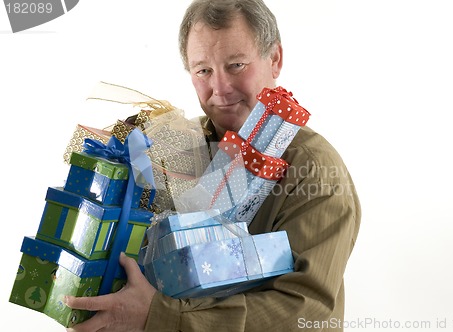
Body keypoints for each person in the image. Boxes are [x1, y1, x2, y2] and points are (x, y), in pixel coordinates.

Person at [65, 0, 361, 331]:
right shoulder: (169, 146)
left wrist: (159, 317)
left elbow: (306, 312)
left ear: (274, 59)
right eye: (203, 70)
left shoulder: (315, 168)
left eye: (236, 65)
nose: (220, 89)